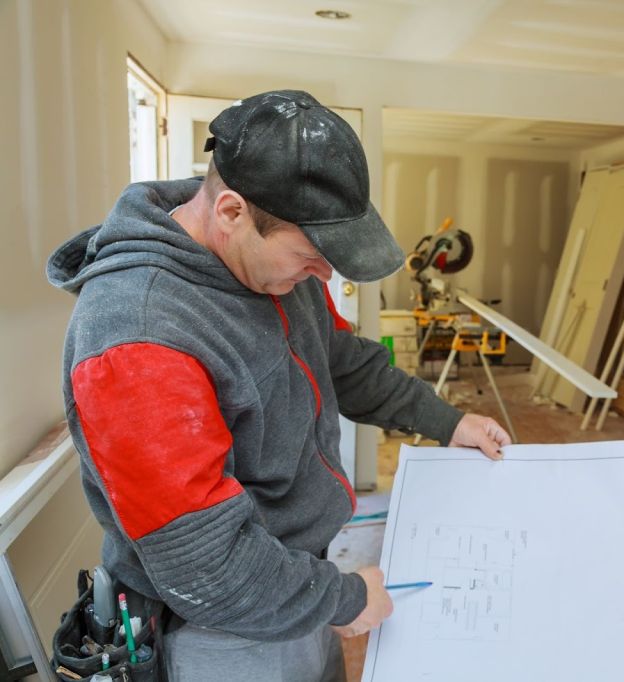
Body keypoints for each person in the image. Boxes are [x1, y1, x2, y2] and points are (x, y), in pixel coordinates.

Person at [46, 90, 511, 681]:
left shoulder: (273, 267)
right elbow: (207, 567)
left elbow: (343, 361)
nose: (326, 274)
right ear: (232, 212)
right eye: (314, 253)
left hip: (297, 584)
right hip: (220, 630)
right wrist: (343, 598)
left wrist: (449, 422)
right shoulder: (137, 338)